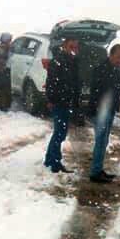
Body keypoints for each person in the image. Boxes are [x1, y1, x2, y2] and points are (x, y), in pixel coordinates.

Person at [88, 44, 120, 183]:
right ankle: (95, 172)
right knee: (100, 141)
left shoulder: (115, 68)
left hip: (109, 110)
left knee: (104, 141)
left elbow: (118, 87)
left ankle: (98, 169)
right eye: (118, 57)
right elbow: (96, 91)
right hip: (101, 111)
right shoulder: (101, 69)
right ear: (111, 54)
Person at [43, 38, 80, 173]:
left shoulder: (73, 62)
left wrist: (75, 102)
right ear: (64, 47)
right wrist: (51, 100)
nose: (74, 50)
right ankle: (53, 162)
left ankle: (52, 160)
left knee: (61, 133)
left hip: (67, 102)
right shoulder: (58, 61)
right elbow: (51, 82)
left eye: (76, 48)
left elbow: (75, 83)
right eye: (71, 47)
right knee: (59, 133)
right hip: (59, 102)